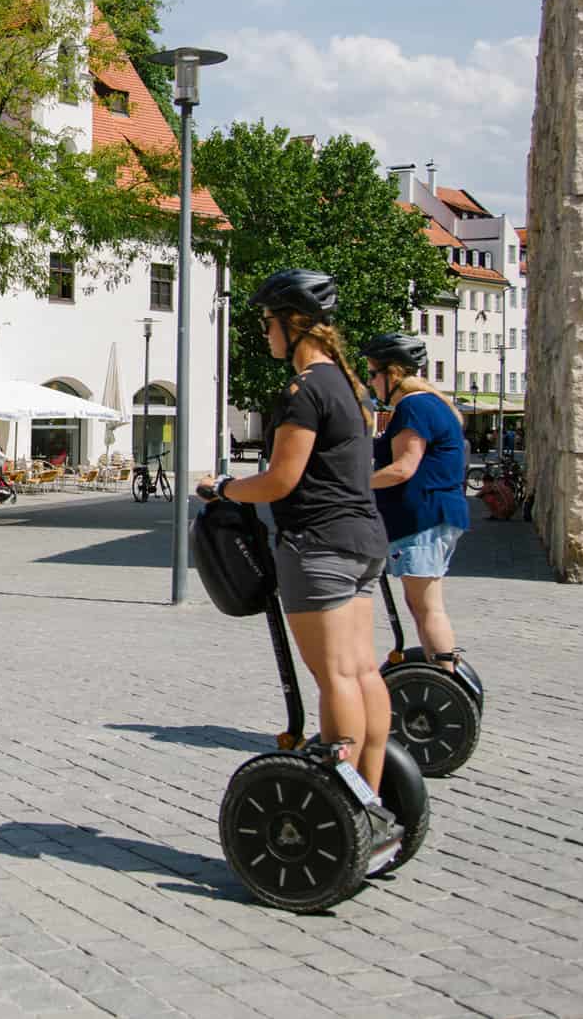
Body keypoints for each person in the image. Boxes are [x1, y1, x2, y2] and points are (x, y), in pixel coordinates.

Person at [196, 270, 393, 807]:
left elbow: (281, 479)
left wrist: (225, 487)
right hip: (364, 543)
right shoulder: (350, 388)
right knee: (360, 669)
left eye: (267, 322)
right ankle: (368, 796)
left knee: (335, 678)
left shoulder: (303, 391)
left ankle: (343, 797)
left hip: (319, 546)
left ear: (293, 323)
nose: (264, 332)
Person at [364, 332, 469, 670]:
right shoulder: (429, 404)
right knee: (423, 605)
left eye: (372, 374)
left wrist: (352, 487)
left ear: (391, 374)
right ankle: (442, 674)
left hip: (422, 518)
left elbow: (402, 468)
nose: (370, 382)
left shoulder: (414, 406)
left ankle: (446, 678)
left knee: (427, 608)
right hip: (432, 516)